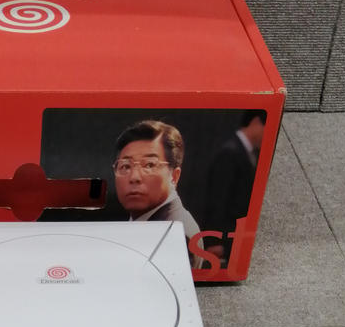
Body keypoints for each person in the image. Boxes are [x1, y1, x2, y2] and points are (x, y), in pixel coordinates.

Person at [111, 120, 203, 267]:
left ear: (174, 176)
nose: (134, 177)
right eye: (126, 166)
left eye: (149, 165)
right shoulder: (147, 221)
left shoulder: (177, 236)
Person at [204, 110, 266, 268]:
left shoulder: (245, 153)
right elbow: (217, 199)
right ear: (256, 122)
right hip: (224, 240)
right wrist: (215, 240)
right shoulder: (230, 153)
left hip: (235, 237)